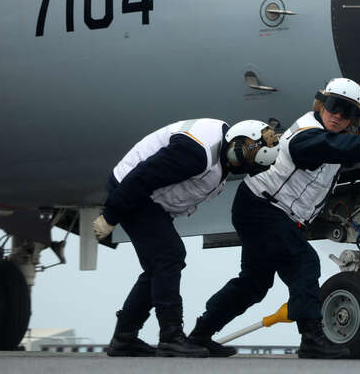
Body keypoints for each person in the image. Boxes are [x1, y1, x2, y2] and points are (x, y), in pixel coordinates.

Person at [188, 78, 360, 358]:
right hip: (262, 208)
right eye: (333, 106)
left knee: (254, 284)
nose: (338, 115)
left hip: (267, 211)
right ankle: (312, 338)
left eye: (347, 112)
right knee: (304, 263)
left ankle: (200, 334)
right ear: (321, 104)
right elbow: (325, 147)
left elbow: (341, 152)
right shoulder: (306, 134)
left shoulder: (334, 139)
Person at [92, 118, 278, 358]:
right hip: (130, 190)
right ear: (237, 138)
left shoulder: (225, 149)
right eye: (241, 154)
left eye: (248, 163)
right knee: (169, 256)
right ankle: (170, 337)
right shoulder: (195, 153)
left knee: (159, 265)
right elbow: (142, 176)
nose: (239, 163)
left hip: (151, 199)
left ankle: (124, 338)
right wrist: (110, 215)